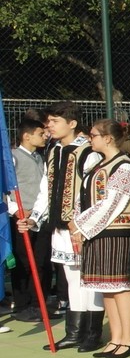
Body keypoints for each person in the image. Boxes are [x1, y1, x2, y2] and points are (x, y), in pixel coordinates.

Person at [20, 101, 105, 352]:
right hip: (60, 226)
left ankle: (93, 332)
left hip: (82, 228)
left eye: (55, 121)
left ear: (72, 123)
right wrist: (35, 218)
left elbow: (94, 194)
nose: (49, 126)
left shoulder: (89, 153)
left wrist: (82, 224)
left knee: (89, 279)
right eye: (49, 121)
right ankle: (75, 331)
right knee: (71, 278)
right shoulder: (54, 151)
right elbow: (46, 189)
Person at [70, 120, 130, 358]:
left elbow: (112, 202)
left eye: (93, 135)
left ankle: (129, 339)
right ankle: (116, 337)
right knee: (105, 287)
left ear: (108, 138)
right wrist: (77, 220)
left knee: (118, 285)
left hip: (116, 231)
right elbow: (84, 196)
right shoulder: (98, 164)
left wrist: (81, 223)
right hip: (96, 230)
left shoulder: (124, 166)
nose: (90, 139)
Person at [9, 117, 50, 323]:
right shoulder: (13, 157)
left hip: (39, 217)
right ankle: (22, 305)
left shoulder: (40, 157)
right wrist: (16, 210)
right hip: (21, 219)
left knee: (41, 262)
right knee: (23, 263)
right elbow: (6, 189)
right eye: (40, 134)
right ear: (26, 136)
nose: (45, 136)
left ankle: (38, 304)